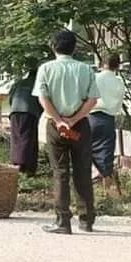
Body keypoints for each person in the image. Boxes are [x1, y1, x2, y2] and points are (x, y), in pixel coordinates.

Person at [32, 30, 99, 234]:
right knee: (83, 171)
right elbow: (93, 99)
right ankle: (86, 220)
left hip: (55, 125)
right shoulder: (85, 69)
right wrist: (74, 119)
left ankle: (63, 221)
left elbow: (43, 99)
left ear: (53, 47)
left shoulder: (46, 69)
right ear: (74, 48)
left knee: (60, 172)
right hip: (80, 125)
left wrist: (60, 121)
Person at [90, 54, 125, 195]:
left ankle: (86, 189)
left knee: (86, 152)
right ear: (117, 66)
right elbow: (119, 101)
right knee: (106, 155)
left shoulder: (94, 78)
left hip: (91, 117)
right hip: (108, 120)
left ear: (101, 64)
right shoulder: (119, 81)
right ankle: (107, 192)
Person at [8, 66, 42, 175]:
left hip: (14, 112)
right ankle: (24, 167)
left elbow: (10, 97)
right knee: (28, 139)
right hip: (29, 113)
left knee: (16, 138)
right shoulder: (38, 84)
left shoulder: (19, 83)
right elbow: (42, 100)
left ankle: (17, 164)